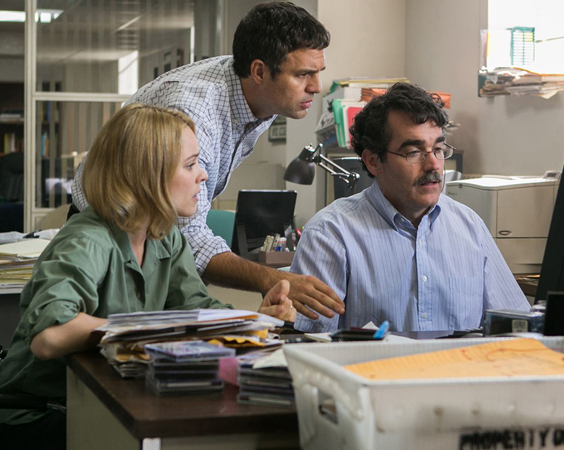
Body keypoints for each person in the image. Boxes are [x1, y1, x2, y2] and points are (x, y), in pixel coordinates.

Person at [0, 104, 293, 449]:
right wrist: (142, 329)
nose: (202, 175)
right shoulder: (88, 240)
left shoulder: (164, 236)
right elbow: (49, 337)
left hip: (91, 400)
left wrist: (254, 321)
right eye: (190, 165)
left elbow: (196, 309)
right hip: (35, 415)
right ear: (147, 174)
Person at [69, 2, 344, 321]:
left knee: (188, 324)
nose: (316, 87)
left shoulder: (261, 95)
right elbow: (188, 235)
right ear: (259, 72)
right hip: (113, 231)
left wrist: (255, 320)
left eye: (318, 72)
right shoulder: (195, 112)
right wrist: (269, 279)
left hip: (158, 235)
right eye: (303, 74)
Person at [287, 83, 531, 332]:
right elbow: (311, 343)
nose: (433, 165)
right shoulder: (330, 233)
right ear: (373, 161)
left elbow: (516, 327)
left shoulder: (470, 227)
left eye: (438, 149)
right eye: (414, 152)